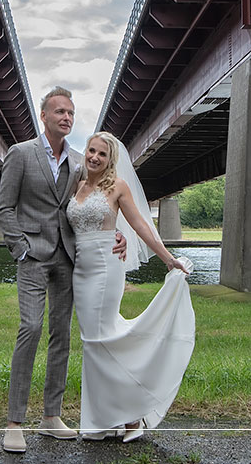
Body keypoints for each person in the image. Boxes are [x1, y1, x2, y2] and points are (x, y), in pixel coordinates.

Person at [0, 87, 127, 454]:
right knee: (31, 328)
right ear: (44, 116)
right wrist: (20, 248)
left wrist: (118, 234)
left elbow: (95, 198)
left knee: (61, 336)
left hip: (68, 258)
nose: (66, 117)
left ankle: (51, 416)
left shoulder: (77, 161)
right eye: (59, 112)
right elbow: (5, 207)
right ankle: (14, 422)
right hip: (32, 257)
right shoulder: (21, 154)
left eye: (70, 112)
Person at [67, 130, 195, 442]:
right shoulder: (76, 183)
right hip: (80, 271)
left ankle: (131, 417)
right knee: (93, 342)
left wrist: (168, 259)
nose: (95, 158)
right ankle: (107, 419)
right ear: (86, 152)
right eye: (92, 151)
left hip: (106, 268)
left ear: (111, 160)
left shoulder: (117, 186)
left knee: (99, 340)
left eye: (102, 154)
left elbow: (139, 224)